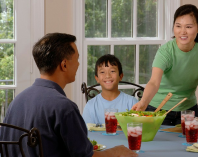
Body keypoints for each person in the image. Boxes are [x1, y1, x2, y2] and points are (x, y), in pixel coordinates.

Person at [0, 33, 137, 157]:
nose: (78, 64)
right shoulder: (64, 107)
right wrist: (115, 152)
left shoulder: (16, 102)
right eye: (77, 59)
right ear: (64, 65)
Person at [82, 54, 138, 125]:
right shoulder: (90, 106)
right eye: (102, 72)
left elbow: (138, 129)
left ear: (120, 76)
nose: (108, 76)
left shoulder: (132, 103)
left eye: (112, 71)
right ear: (97, 78)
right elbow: (86, 133)